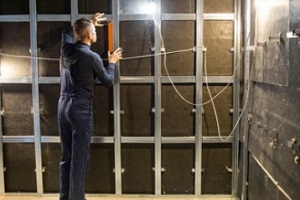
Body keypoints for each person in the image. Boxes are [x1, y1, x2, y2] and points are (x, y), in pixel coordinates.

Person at [58, 13, 122, 200]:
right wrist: (111, 63)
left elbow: (68, 33)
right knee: (79, 159)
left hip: (63, 106)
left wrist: (88, 23)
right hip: (80, 109)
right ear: (89, 36)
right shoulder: (92, 57)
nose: (95, 33)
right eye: (94, 30)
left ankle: (65, 197)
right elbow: (109, 81)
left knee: (66, 156)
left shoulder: (66, 49)